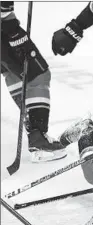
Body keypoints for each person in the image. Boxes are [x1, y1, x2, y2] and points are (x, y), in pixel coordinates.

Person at [1, 1, 66, 162]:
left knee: (13, 73)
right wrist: (10, 26)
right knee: (38, 76)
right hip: (5, 26)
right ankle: (39, 142)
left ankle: (35, 132)